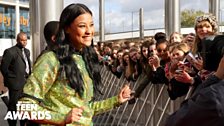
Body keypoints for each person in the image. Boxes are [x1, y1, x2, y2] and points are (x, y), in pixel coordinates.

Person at [19, 3, 131, 126]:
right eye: (82, 26)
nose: (89, 31)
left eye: (91, 25)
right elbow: (24, 108)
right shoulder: (51, 59)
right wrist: (61, 119)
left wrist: (116, 100)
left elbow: (85, 109)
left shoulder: (85, 58)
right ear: (67, 28)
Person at [165, 55, 224, 126]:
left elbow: (177, 120)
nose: (174, 57)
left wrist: (216, 76)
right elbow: (173, 94)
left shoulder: (214, 97)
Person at [0, 32, 31, 126]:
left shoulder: (27, 51)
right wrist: (11, 80)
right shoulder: (10, 51)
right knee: (13, 107)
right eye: (22, 40)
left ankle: (23, 123)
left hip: (26, 84)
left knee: (24, 105)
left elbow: (27, 66)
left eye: (25, 40)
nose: (24, 42)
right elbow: (3, 68)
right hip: (15, 84)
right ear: (17, 40)